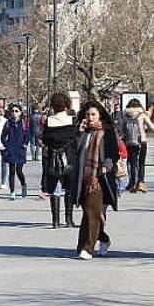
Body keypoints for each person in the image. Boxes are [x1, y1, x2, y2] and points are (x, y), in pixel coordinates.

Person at [72, 100, 120, 260]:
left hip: (100, 178)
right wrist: (78, 134)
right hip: (84, 177)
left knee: (91, 211)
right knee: (90, 212)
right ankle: (103, 240)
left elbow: (114, 152)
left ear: (100, 115)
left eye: (93, 114)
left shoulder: (107, 131)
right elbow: (75, 151)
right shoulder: (84, 132)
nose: (90, 117)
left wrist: (107, 164)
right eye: (87, 114)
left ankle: (87, 248)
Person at [41, 93, 79, 228]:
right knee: (69, 188)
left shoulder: (49, 122)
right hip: (68, 158)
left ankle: (55, 220)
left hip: (53, 158)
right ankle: (69, 219)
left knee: (55, 189)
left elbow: (44, 139)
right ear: (66, 105)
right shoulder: (72, 121)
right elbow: (76, 140)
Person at [121, 98, 153, 193]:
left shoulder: (126, 115)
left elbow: (122, 130)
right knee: (141, 163)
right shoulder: (142, 115)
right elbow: (151, 126)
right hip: (141, 142)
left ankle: (133, 183)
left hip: (129, 142)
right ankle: (141, 183)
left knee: (132, 163)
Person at [1, 104, 29, 201]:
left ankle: (23, 184)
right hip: (11, 149)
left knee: (19, 171)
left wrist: (25, 144)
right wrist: (6, 145)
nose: (14, 113)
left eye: (16, 111)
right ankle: (12, 192)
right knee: (12, 171)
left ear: (20, 112)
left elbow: (27, 135)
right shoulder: (8, 123)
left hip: (20, 149)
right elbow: (3, 136)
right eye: (12, 111)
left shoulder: (23, 123)